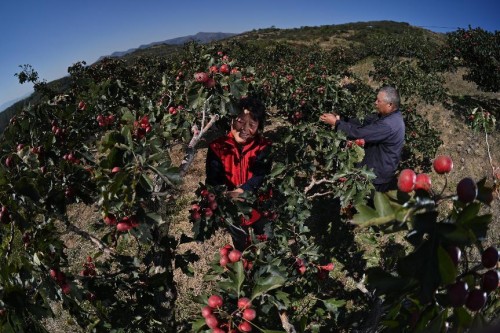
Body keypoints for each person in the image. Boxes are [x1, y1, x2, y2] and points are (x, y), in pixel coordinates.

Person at [206, 96, 272, 251]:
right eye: (241, 121)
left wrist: (242, 191)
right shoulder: (217, 147)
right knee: (240, 243)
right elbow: (213, 178)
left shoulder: (264, 147)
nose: (245, 128)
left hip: (258, 204)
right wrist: (223, 197)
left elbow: (261, 175)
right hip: (232, 207)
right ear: (231, 120)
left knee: (265, 238)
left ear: (258, 127)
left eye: (252, 124)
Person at [319, 86, 405, 192]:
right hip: (376, 170)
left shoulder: (388, 125)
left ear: (390, 105)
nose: (375, 102)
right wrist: (341, 119)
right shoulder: (387, 116)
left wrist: (336, 124)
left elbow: (359, 133)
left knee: (367, 204)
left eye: (379, 101)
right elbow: (363, 122)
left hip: (376, 177)